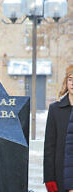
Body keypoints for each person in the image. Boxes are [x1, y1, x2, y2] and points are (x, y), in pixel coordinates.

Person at [44, 64, 73, 192]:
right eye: (70, 79)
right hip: (61, 176)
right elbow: (49, 147)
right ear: (66, 82)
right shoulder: (55, 109)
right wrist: (49, 178)